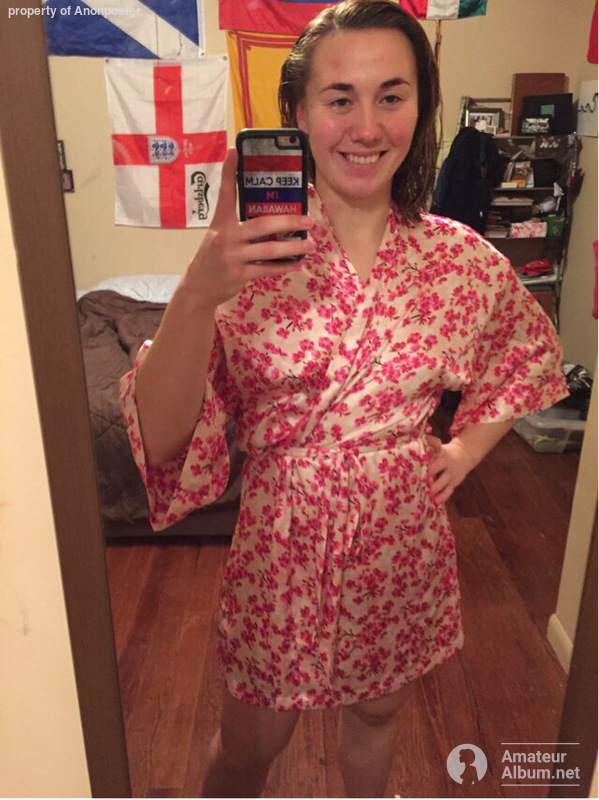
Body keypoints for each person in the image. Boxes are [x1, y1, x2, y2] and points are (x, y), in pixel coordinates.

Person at [120, 1, 569, 796]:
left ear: (419, 107)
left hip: (399, 535)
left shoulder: (458, 259)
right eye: (339, 99)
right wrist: (195, 294)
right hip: (281, 542)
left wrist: (465, 450)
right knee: (249, 746)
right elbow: (160, 439)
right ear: (297, 115)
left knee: (375, 717)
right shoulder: (245, 259)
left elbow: (524, 350)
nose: (365, 127)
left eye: (390, 96)